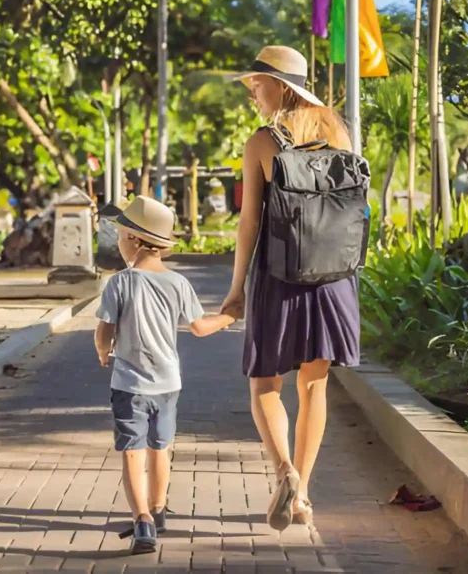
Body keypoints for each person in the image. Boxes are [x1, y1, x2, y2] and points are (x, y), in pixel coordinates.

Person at [221, 45, 361, 530]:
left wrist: (236, 288)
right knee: (314, 385)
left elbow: (249, 223)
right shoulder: (336, 130)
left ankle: (285, 471)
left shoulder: (263, 140)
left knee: (264, 385)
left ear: (281, 85)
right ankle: (302, 495)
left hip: (279, 273)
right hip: (333, 277)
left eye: (257, 84)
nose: (252, 94)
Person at [94, 196, 237, 553]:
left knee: (132, 451)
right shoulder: (178, 283)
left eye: (121, 234)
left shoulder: (120, 283)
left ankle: (141, 519)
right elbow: (201, 327)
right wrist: (231, 316)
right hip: (168, 384)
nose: (118, 242)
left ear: (135, 241)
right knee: (161, 448)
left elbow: (104, 329)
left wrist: (102, 351)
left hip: (129, 385)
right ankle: (158, 510)